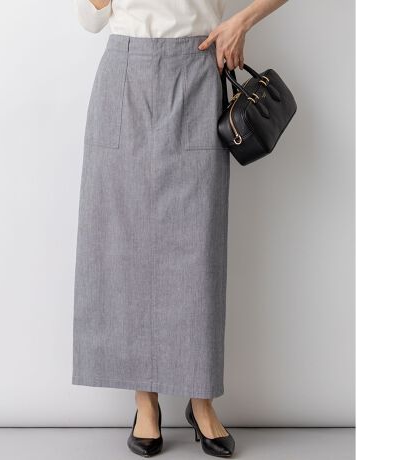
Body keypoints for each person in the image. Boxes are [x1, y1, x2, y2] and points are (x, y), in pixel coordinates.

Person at [72, 0, 288, 457]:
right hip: (126, 72)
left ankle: (201, 399)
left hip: (197, 67)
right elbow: (91, 19)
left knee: (197, 247)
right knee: (124, 245)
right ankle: (144, 402)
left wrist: (241, 22)